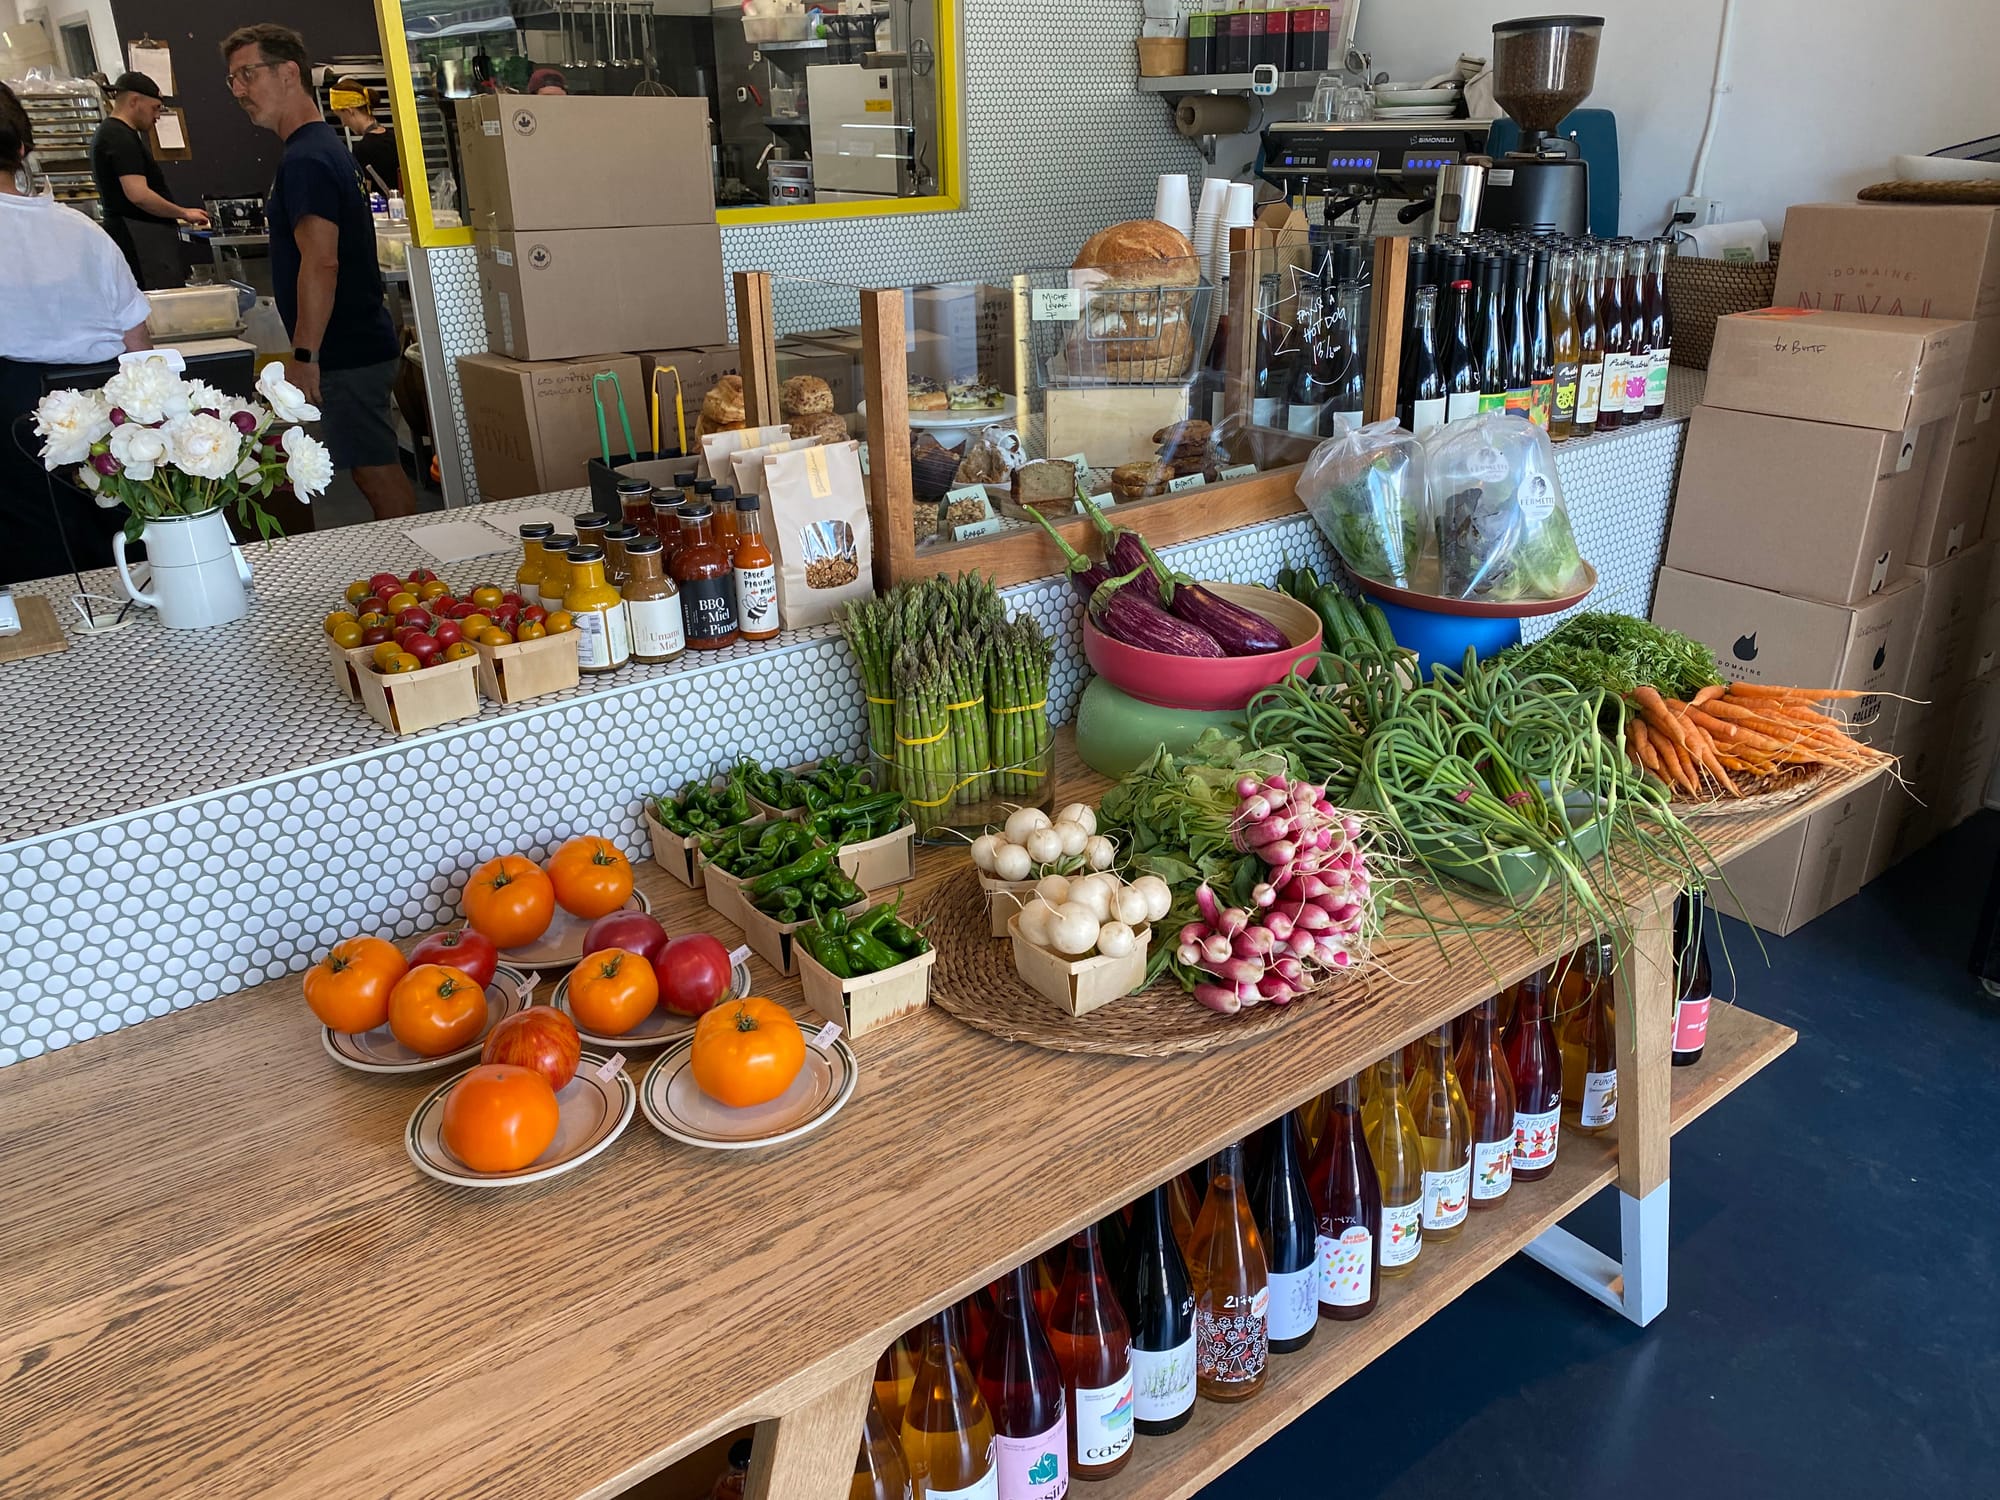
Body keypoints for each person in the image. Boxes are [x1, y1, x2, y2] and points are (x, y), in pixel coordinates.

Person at [221, 23, 414, 520]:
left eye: (248, 74)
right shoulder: (320, 148)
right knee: (370, 463)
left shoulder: (307, 157)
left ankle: (422, 578)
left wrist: (305, 354)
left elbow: (321, 260)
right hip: (354, 340)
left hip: (346, 347)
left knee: (375, 469)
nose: (240, 90)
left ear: (289, 73)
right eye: (233, 80)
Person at [1, 81, 155, 584]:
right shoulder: (84, 231)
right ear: (23, 148)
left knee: (31, 592)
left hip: (10, 438)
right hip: (99, 429)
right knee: (116, 572)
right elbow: (139, 352)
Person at [89, 71, 209, 290]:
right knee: (157, 306)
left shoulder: (116, 134)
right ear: (135, 101)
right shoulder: (118, 137)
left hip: (142, 235)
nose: (157, 116)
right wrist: (183, 213)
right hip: (139, 239)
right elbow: (139, 194)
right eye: (155, 108)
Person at [328, 77, 398, 196]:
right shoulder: (394, 138)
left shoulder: (362, 149)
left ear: (350, 111)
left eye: (341, 117)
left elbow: (365, 194)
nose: (343, 124)